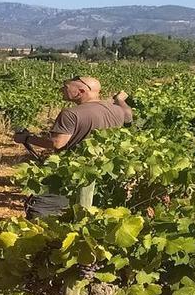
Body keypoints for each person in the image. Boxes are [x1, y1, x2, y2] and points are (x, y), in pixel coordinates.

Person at [13, 75, 132, 219]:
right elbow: (128, 115)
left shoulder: (70, 114)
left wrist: (26, 138)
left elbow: (57, 143)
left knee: (41, 209)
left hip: (72, 171)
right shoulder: (116, 110)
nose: (61, 89)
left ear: (81, 91)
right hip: (103, 171)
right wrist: (119, 100)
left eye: (66, 87)